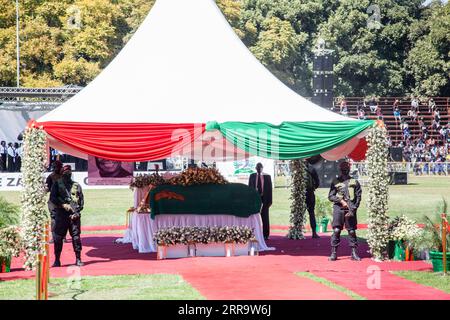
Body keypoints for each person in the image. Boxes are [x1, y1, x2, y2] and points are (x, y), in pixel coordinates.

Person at [50, 165, 84, 267]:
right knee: (58, 238)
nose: (67, 175)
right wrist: (63, 205)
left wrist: (76, 212)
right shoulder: (57, 185)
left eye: (69, 173)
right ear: (62, 174)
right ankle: (57, 260)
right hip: (61, 215)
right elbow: (53, 198)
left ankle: (78, 259)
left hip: (74, 216)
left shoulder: (76, 186)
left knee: (76, 237)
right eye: (65, 173)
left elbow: (81, 201)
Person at [328, 161, 362, 261]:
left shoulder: (354, 182)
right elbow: (331, 196)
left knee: (351, 231)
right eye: (343, 170)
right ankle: (334, 253)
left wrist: (354, 208)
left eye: (346, 169)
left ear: (349, 170)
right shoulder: (336, 181)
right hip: (339, 208)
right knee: (337, 230)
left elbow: (358, 197)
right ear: (340, 170)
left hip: (350, 208)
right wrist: (341, 200)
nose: (345, 171)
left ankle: (354, 253)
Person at [248, 163, 272, 240]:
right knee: (254, 217)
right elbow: (249, 188)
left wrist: (270, 201)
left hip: (264, 198)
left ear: (262, 168)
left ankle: (266, 234)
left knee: (265, 216)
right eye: (257, 167)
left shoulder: (267, 177)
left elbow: (270, 190)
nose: (259, 169)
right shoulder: (252, 176)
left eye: (260, 167)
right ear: (255, 168)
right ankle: (254, 233)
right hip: (255, 198)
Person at [45, 160, 63, 244]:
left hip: (61, 201)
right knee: (54, 219)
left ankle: (61, 236)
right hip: (54, 201)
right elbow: (47, 189)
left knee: (60, 219)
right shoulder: (51, 177)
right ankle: (54, 236)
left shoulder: (64, 176)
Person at [305, 160, 320, 239]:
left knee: (310, 212)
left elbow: (317, 181)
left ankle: (313, 232)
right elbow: (317, 182)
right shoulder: (311, 168)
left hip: (306, 193)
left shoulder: (310, 169)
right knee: (310, 213)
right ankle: (313, 233)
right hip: (308, 193)